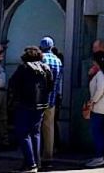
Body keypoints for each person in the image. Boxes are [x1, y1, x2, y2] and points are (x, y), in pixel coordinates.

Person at [8, 46, 54, 173]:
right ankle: (35, 163)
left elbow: (13, 83)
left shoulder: (23, 68)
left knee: (23, 133)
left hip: (24, 104)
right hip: (41, 105)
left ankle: (30, 163)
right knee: (35, 133)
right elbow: (50, 85)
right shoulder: (45, 68)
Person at [39, 37, 63, 165]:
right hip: (52, 99)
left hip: (40, 100)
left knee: (36, 127)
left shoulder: (41, 59)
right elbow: (59, 82)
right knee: (49, 128)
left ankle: (36, 154)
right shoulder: (58, 60)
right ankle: (48, 155)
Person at [87, 51, 104, 168]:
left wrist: (92, 101)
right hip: (102, 108)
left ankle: (99, 156)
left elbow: (99, 90)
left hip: (98, 108)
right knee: (98, 132)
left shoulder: (101, 75)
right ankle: (98, 156)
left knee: (97, 133)